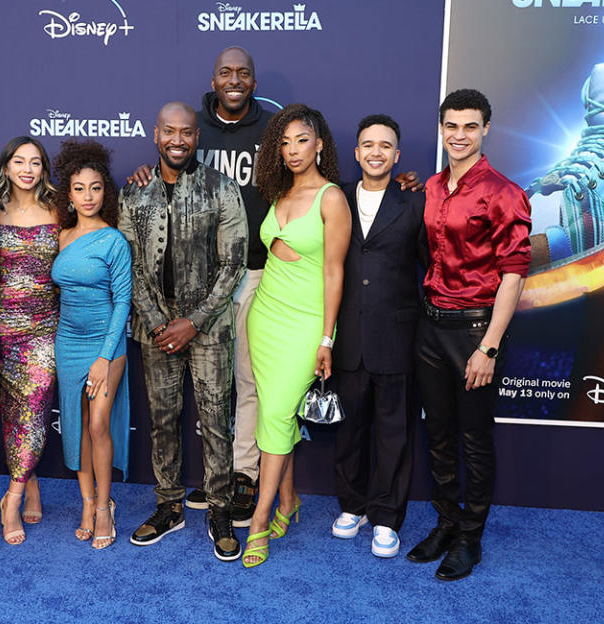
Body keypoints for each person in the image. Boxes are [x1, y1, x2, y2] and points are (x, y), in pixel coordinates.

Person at [129, 47, 421, 527]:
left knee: (255, 392)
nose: (235, 80)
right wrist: (143, 170)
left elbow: (335, 228)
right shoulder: (206, 135)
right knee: (238, 390)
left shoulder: (276, 131)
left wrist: (396, 183)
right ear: (213, 80)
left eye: (244, 73)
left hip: (269, 285)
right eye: (226, 72)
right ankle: (264, 491)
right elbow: (171, 159)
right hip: (223, 286)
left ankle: (248, 487)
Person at [407, 89, 531, 581]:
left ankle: (470, 540)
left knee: (474, 440)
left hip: (475, 331)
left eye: (470, 127)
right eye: (451, 126)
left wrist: (489, 346)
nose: (459, 135)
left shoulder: (504, 192)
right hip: (430, 326)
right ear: (441, 130)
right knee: (437, 435)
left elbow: (515, 275)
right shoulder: (434, 187)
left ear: (485, 131)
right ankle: (447, 522)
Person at [120, 102, 247, 561]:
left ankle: (220, 511)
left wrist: (192, 323)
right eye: (169, 131)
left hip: (208, 325)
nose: (178, 140)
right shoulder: (133, 193)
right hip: (155, 327)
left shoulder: (221, 188)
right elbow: (129, 265)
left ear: (197, 137)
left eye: (187, 133)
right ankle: (169, 505)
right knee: (163, 420)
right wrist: (159, 322)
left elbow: (233, 265)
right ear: (155, 134)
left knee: (216, 421)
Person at [242, 103, 351, 568]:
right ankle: (289, 501)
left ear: (320, 143)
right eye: (283, 143)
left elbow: (334, 272)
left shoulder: (332, 198)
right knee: (275, 414)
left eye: (301, 140)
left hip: (305, 324)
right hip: (264, 317)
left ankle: (258, 522)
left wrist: (326, 339)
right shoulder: (277, 193)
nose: (291, 150)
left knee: (279, 415)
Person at [331, 115, 427, 558]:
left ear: (397, 155)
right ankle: (353, 506)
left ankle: (386, 516)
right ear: (356, 152)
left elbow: (430, 265)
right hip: (348, 335)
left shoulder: (415, 201)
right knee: (349, 430)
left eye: (385, 146)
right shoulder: (336, 199)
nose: (376, 152)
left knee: (394, 432)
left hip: (397, 336)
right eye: (368, 144)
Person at [52, 139, 132, 550]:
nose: (88, 196)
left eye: (96, 187)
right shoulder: (62, 236)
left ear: (107, 192)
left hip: (108, 343)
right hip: (67, 343)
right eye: (80, 188)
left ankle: (104, 506)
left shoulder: (114, 241)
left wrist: (103, 357)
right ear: (68, 193)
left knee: (99, 423)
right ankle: (86, 502)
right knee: (77, 426)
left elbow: (123, 303)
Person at [0, 136, 59, 545]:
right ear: (6, 168)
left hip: (46, 326)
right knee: (13, 410)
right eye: (20, 161)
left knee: (35, 401)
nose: (28, 169)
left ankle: (11, 498)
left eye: (35, 162)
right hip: (0, 327)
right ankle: (30, 481)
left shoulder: (57, 208)